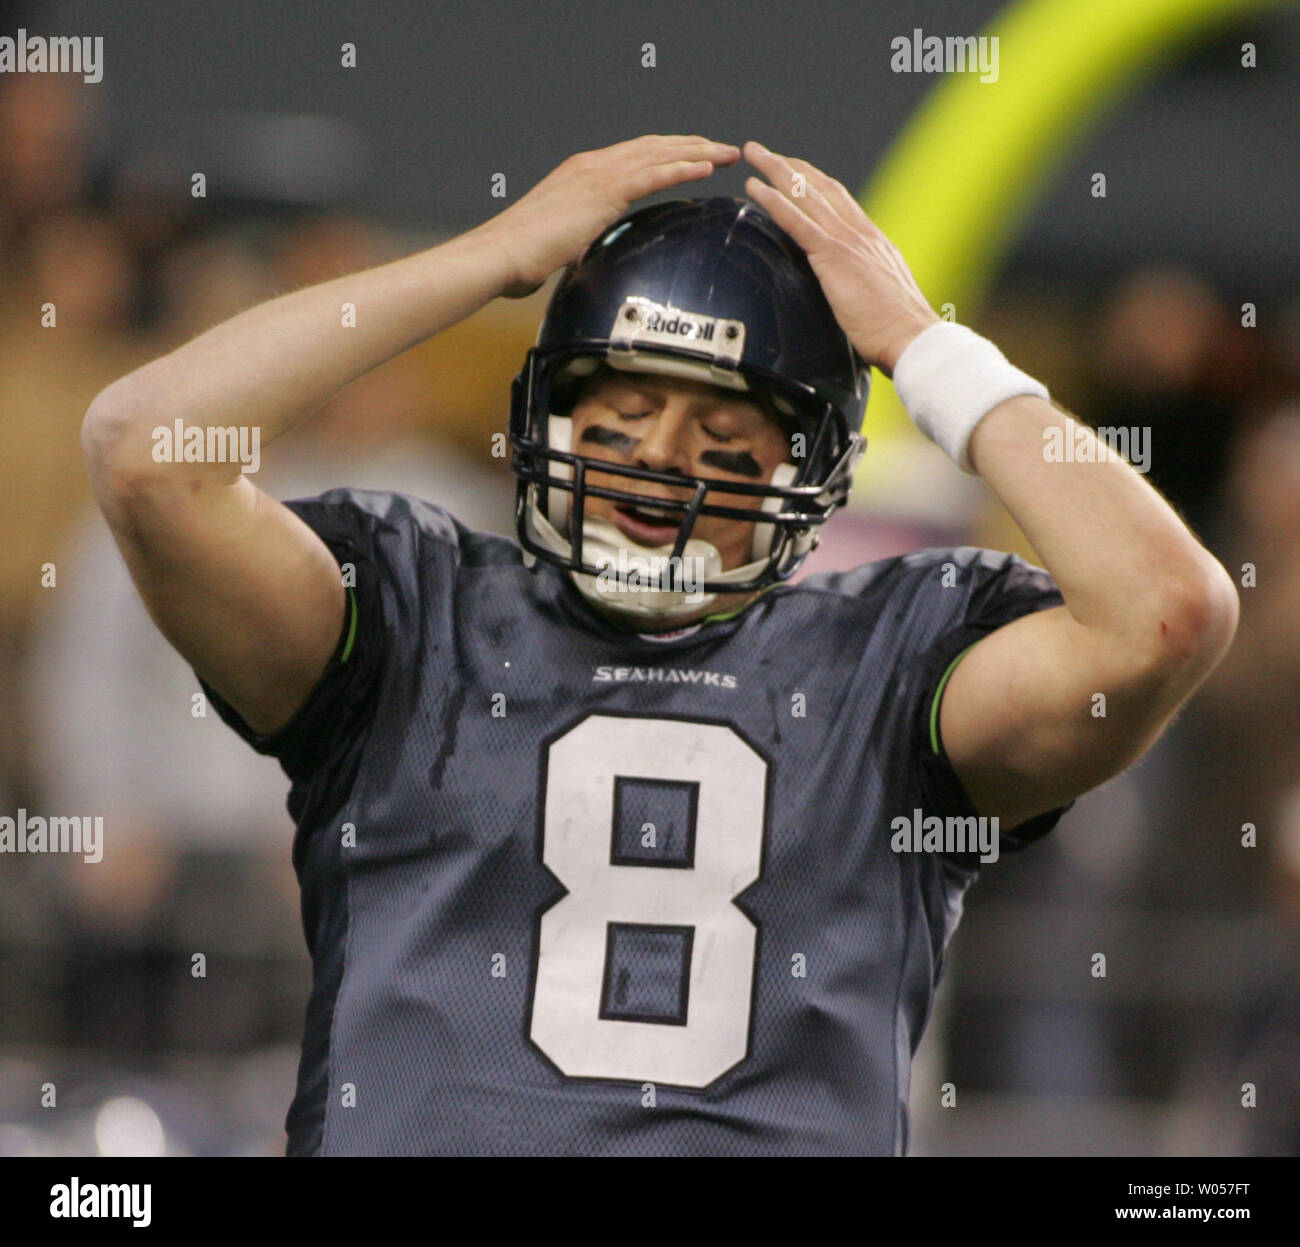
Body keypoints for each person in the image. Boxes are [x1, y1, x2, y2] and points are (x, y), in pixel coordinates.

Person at [81, 135, 1239, 1155]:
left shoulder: (896, 663)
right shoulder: (407, 612)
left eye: (725, 440)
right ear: (549, 415)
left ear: (808, 471)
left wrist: (925, 347)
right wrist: (488, 259)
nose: (660, 462)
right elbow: (144, 452)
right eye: (624, 418)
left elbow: (1164, 613)